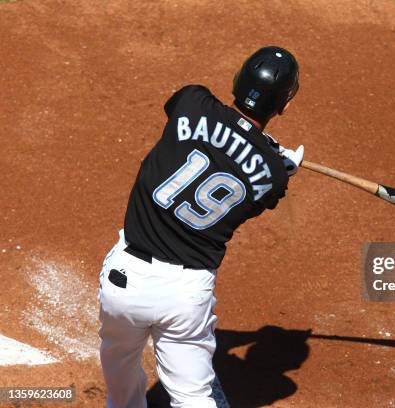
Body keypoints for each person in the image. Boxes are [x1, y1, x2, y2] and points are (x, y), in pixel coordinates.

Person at [98, 46, 303, 408]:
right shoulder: (273, 177)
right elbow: (256, 182)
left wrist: (254, 144)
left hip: (123, 283)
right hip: (186, 296)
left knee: (120, 372)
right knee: (193, 397)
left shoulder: (191, 101)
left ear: (238, 81)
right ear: (284, 105)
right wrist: (274, 159)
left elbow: (203, 135)